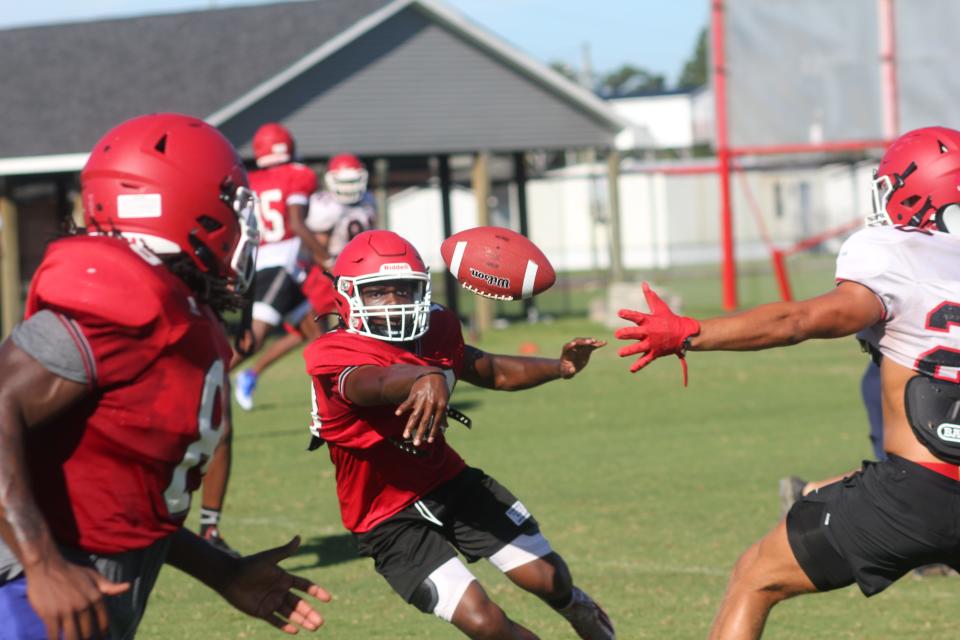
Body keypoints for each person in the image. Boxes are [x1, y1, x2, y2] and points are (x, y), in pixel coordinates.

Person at [615, 126, 960, 639]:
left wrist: (693, 333)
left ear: (911, 194)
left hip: (916, 493)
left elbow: (799, 321)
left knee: (754, 577)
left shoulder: (893, 252)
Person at [0, 113, 331, 639]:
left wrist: (223, 572)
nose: (246, 225)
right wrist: (41, 562)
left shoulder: (176, 313)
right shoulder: (118, 297)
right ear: (178, 203)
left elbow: (125, 504)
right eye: (230, 203)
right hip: (26, 597)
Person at [305, 230, 614, 640]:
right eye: (379, 293)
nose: (395, 303)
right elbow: (373, 383)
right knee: (483, 622)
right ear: (347, 296)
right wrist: (424, 374)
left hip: (449, 483)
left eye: (405, 290)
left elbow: (488, 369)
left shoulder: (435, 328)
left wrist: (560, 367)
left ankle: (577, 606)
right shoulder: (333, 354)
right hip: (382, 517)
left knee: (548, 578)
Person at [200, 122, 322, 546]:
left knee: (320, 336)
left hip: (254, 262)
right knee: (250, 341)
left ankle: (346, 404)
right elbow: (296, 223)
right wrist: (329, 257)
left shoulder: (255, 177)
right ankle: (217, 377)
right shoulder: (299, 176)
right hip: (282, 262)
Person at [234, 153, 377, 411]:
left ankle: (255, 375)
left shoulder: (369, 201)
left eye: (354, 181)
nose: (350, 188)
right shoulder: (324, 207)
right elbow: (312, 242)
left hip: (348, 273)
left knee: (309, 333)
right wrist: (329, 263)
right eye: (344, 182)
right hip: (323, 275)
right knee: (330, 333)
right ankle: (345, 389)